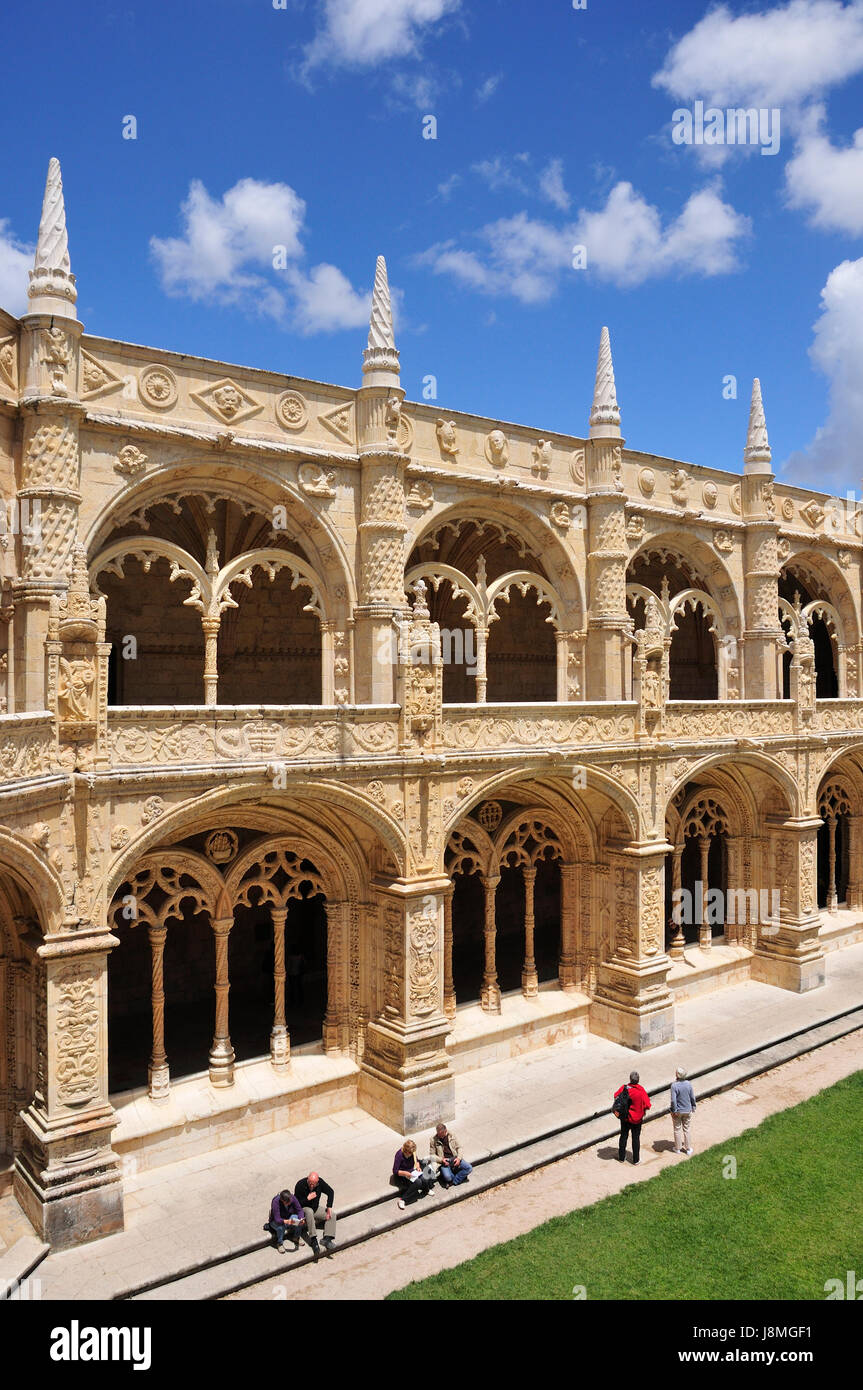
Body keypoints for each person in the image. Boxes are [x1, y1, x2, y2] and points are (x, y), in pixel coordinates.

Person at [294, 1171, 337, 1259]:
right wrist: (307, 1199)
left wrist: (329, 1206)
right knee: (309, 1212)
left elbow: (330, 1192)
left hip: (315, 1208)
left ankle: (327, 1239)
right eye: (310, 1183)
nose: (312, 1186)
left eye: (314, 1184)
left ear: (317, 1182)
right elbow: (296, 1204)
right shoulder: (300, 1185)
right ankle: (314, 1241)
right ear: (307, 1180)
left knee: (332, 1215)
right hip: (304, 1209)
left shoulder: (320, 1183)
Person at [614, 1070, 652, 1164]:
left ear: (630, 1079)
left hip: (625, 1118)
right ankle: (636, 1160)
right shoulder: (641, 1090)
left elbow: (615, 1096)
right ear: (638, 1080)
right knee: (635, 1138)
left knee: (623, 1136)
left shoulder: (624, 1087)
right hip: (637, 1119)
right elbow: (648, 1105)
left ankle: (621, 1157)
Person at [393, 1138, 435, 1209]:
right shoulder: (399, 1155)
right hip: (403, 1174)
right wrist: (405, 1173)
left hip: (413, 1171)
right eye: (409, 1153)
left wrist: (418, 1167)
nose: (411, 1154)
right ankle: (403, 1200)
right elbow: (395, 1170)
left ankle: (426, 1190)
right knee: (418, 1182)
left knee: (424, 1178)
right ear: (406, 1150)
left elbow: (417, 1161)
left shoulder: (412, 1152)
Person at [430, 1121, 472, 1187]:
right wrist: (441, 1160)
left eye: (441, 1134)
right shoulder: (433, 1140)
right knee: (448, 1177)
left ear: (445, 1131)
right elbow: (432, 1155)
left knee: (469, 1168)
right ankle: (457, 1178)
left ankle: (453, 1182)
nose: (440, 1136)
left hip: (454, 1158)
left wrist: (458, 1158)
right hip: (444, 1161)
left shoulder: (452, 1135)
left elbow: (459, 1147)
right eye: (438, 1134)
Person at [670, 1066, 696, 1155]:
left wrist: (674, 1110)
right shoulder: (688, 1084)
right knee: (687, 1129)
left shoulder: (674, 1085)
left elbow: (673, 1100)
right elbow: (692, 1097)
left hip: (678, 1111)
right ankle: (688, 1149)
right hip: (687, 1110)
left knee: (677, 1129)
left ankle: (677, 1148)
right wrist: (693, 1106)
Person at [268, 1189, 304, 1253]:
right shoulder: (276, 1202)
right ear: (282, 1200)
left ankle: (296, 1237)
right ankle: (279, 1243)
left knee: (298, 1220)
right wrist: (287, 1221)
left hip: (288, 1217)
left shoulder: (292, 1198)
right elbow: (277, 1219)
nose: (291, 1202)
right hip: (276, 1221)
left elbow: (299, 1210)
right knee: (281, 1227)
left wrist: (301, 1219)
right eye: (288, 1202)